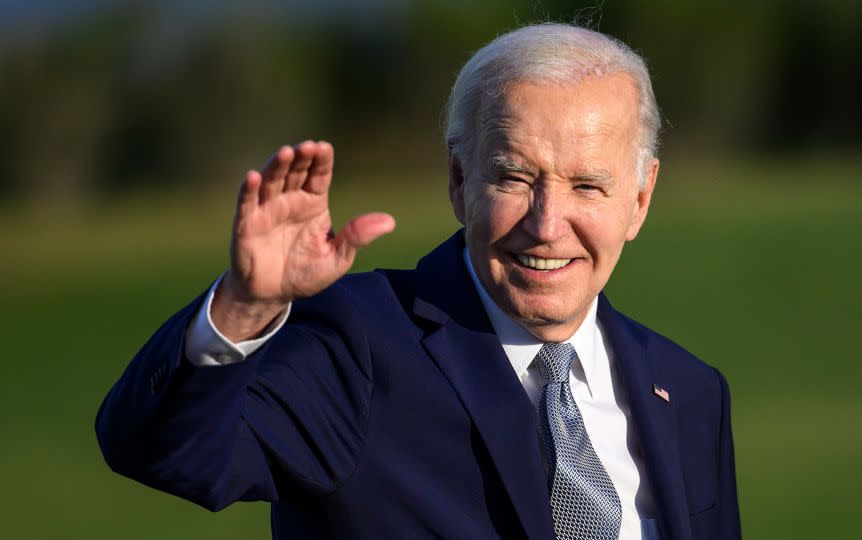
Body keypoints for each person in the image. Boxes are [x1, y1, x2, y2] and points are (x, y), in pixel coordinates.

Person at [96, 23, 740, 540]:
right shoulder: (358, 343)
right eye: (514, 178)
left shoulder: (689, 392)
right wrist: (243, 306)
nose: (547, 225)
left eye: (587, 186)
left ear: (640, 200)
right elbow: (164, 453)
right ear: (460, 181)